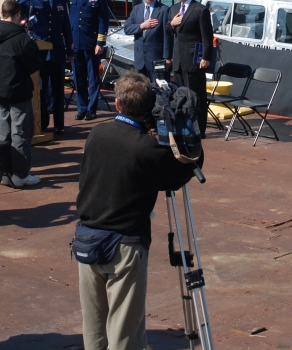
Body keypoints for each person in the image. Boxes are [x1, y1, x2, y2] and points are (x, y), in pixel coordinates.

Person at [75, 71, 202, 350]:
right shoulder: (145, 148)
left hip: (87, 236)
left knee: (94, 326)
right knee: (125, 330)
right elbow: (187, 167)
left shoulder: (97, 133)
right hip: (124, 242)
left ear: (117, 104)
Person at [0, 0, 42, 188]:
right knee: (20, 133)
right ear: (18, 15)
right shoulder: (21, 39)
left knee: (4, 133)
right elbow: (34, 63)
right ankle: (20, 174)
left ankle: (6, 171)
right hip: (18, 91)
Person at [18, 0, 73, 134]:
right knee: (39, 90)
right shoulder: (30, 1)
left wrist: (69, 49)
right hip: (38, 53)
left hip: (56, 51)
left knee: (58, 90)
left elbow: (66, 28)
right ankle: (40, 123)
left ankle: (59, 124)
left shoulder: (60, 3)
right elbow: (16, 5)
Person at [58, 0, 109, 121]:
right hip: (75, 43)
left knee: (93, 77)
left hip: (91, 43)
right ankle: (81, 108)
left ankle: (92, 109)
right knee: (78, 77)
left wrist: (100, 42)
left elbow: (103, 20)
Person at [167, 0, 213, 137]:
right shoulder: (173, 9)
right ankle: (184, 126)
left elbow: (206, 37)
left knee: (196, 96)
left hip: (194, 61)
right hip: (178, 61)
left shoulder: (200, 10)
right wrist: (171, 25)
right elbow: (167, 31)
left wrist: (206, 57)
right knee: (181, 96)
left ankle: (199, 129)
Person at [123, 0, 173, 82]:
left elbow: (168, 35)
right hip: (140, 60)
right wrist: (142, 26)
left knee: (159, 90)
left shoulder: (164, 10)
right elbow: (127, 29)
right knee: (142, 91)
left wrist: (167, 57)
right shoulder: (137, 9)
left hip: (157, 58)